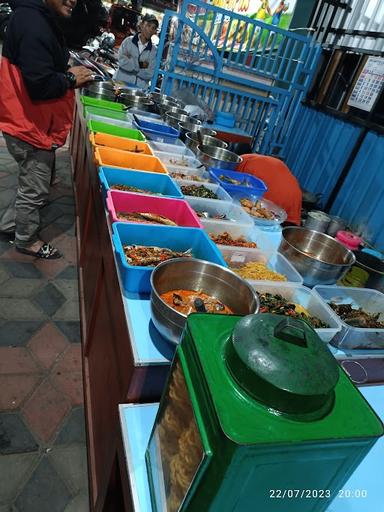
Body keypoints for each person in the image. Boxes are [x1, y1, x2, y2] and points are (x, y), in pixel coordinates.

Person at [0, 0, 93, 259]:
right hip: (29, 126)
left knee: (30, 183)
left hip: (29, 122)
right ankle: (26, 240)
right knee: (36, 188)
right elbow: (39, 84)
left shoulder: (37, 17)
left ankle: (10, 225)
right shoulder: (33, 23)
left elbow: (41, 67)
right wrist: (71, 78)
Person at [236, 153, 302, 225]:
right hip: (295, 196)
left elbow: (237, 191)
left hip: (274, 197)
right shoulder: (261, 159)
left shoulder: (241, 163)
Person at [114, 13, 158, 88]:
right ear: (141, 25)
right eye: (148, 25)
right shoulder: (128, 41)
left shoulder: (154, 51)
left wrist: (131, 62)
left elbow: (150, 73)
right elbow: (122, 62)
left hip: (138, 91)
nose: (150, 30)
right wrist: (142, 65)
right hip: (120, 85)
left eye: (153, 28)